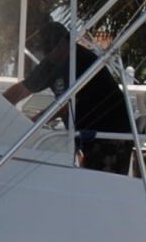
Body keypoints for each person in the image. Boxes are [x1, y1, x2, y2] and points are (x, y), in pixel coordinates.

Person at [8, 21, 135, 175]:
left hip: (111, 134)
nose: (47, 54)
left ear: (64, 42)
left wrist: (32, 123)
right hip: (86, 134)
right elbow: (24, 88)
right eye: (44, 49)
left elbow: (67, 105)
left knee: (101, 183)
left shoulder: (84, 61)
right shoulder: (51, 62)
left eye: (50, 48)